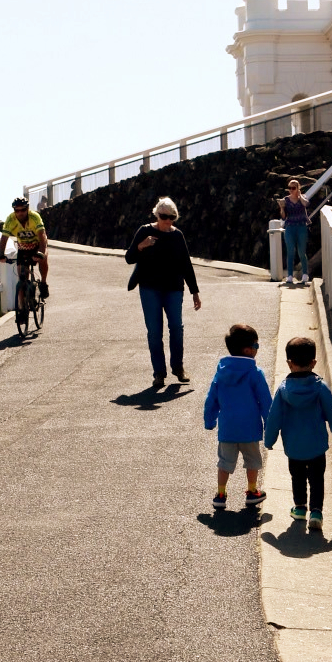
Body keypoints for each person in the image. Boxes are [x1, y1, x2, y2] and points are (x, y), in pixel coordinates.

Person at [264, 333, 332, 531]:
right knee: (317, 478)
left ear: (289, 363)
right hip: (317, 444)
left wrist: (269, 440)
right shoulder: (320, 388)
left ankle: (300, 508)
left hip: (293, 446)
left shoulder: (283, 390)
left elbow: (274, 417)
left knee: (297, 476)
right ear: (314, 362)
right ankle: (316, 512)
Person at [125, 197, 200, 387]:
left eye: (172, 217)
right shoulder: (145, 231)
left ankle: (178, 367)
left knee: (176, 328)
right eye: (164, 216)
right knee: (154, 332)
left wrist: (195, 291)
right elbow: (129, 257)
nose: (168, 221)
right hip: (150, 289)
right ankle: (159, 372)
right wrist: (142, 245)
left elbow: (186, 264)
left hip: (174, 288)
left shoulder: (177, 236)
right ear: (157, 215)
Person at [204, 323, 273, 512]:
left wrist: (209, 420)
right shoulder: (255, 373)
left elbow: (211, 399)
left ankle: (220, 494)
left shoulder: (221, 373)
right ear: (248, 350)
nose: (257, 350)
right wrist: (271, 424)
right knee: (252, 461)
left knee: (224, 462)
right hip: (250, 429)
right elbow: (266, 402)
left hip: (227, 429)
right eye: (256, 346)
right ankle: (252, 491)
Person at [0, 196, 50, 297]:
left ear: (28, 209)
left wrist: (41, 253)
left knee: (43, 258)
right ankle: (21, 309)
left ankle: (43, 283)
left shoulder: (35, 217)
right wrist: (1, 254)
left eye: (23, 209)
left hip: (37, 245)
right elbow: (4, 239)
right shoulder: (10, 220)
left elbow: (42, 236)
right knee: (22, 279)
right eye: (17, 210)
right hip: (23, 248)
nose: (20, 212)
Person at [278, 179, 310, 286]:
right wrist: (282, 208)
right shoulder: (286, 200)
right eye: (289, 188)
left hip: (301, 227)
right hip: (290, 227)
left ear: (298, 188)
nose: (291, 190)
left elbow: (306, 204)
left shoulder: (303, 197)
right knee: (290, 251)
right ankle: (290, 275)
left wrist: (299, 196)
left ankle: (305, 274)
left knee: (301, 252)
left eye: (293, 188)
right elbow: (283, 217)